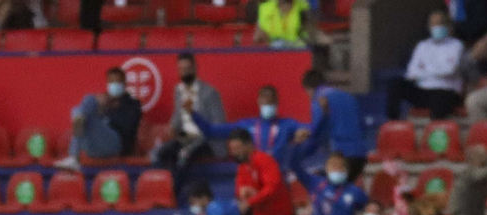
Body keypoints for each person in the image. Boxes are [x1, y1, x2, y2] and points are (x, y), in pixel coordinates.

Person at [193, 85, 309, 174]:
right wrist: (193, 114)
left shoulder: (287, 125)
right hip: (252, 175)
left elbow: (311, 129)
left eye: (271, 102)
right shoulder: (246, 125)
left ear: (277, 102)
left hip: (278, 174)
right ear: (258, 102)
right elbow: (211, 131)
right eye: (265, 102)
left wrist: (304, 132)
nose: (267, 105)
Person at [153, 54, 226, 187]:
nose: (184, 72)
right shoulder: (178, 90)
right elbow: (178, 115)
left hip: (207, 140)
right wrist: (172, 127)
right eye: (181, 69)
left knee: (184, 154)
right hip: (187, 137)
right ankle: (163, 189)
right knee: (163, 152)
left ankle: (175, 193)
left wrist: (200, 136)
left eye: (188, 68)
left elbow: (219, 125)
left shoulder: (210, 93)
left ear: (195, 69)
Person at [55, 67, 142, 172]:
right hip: (94, 147)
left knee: (87, 103)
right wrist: (101, 110)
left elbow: (128, 128)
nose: (114, 84)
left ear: (124, 83)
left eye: (117, 81)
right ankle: (73, 157)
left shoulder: (132, 104)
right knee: (81, 109)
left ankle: (73, 157)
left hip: (117, 145)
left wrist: (112, 110)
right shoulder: (104, 102)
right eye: (111, 81)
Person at [390, 9, 465, 119]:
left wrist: (425, 69)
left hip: (445, 91)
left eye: (439, 24)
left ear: (448, 26)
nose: (436, 27)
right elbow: (411, 73)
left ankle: (436, 131)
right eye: (432, 24)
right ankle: (394, 123)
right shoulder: (422, 46)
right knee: (396, 85)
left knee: (441, 98)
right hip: (423, 91)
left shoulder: (457, 46)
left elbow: (450, 71)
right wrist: (437, 71)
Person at [300, 70, 365, 180]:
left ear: (309, 89)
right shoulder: (350, 98)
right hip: (360, 155)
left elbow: (316, 130)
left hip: (340, 157)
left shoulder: (320, 99)